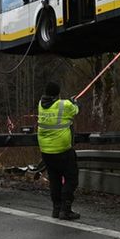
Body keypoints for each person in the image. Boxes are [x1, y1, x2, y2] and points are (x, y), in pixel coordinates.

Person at [37, 80, 81, 220]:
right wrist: (75, 102)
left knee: (55, 180)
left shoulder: (41, 105)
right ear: (58, 93)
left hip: (46, 151)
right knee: (71, 179)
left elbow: (60, 106)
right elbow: (76, 109)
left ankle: (56, 209)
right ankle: (65, 209)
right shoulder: (65, 105)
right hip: (62, 150)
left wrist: (69, 101)